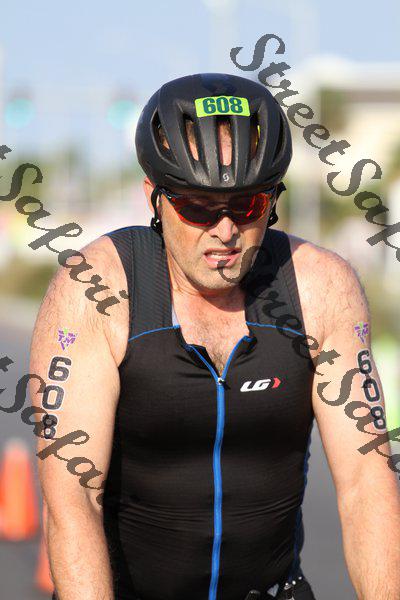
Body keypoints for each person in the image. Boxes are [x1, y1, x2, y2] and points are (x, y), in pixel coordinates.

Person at [30, 73, 400, 600]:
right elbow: (73, 502)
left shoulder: (322, 287)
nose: (225, 231)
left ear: (273, 201)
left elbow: (367, 484)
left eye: (247, 206)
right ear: (154, 199)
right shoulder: (96, 289)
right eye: (199, 207)